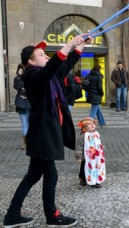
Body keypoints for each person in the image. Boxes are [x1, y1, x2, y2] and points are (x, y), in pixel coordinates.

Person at [3, 34, 91, 228]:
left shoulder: (49, 77)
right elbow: (51, 68)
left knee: (34, 175)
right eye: (42, 54)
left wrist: (80, 46)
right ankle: (52, 216)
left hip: (43, 133)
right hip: (42, 135)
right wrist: (69, 44)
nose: (46, 57)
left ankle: (12, 215)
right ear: (31, 61)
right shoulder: (32, 76)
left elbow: (63, 66)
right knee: (50, 174)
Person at [75, 117, 105, 189]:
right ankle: (83, 178)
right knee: (84, 168)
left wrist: (102, 147)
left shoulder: (96, 134)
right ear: (85, 126)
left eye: (93, 124)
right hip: (86, 157)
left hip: (96, 156)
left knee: (97, 167)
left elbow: (99, 140)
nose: (93, 125)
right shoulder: (82, 137)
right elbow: (78, 147)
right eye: (90, 124)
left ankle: (95, 180)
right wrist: (79, 157)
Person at [13, 63, 31, 150]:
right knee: (24, 123)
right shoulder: (17, 79)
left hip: (31, 103)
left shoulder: (31, 77)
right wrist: (19, 77)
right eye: (20, 68)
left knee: (32, 123)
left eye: (23, 68)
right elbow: (17, 87)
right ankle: (25, 142)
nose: (22, 70)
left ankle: (32, 141)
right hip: (21, 103)